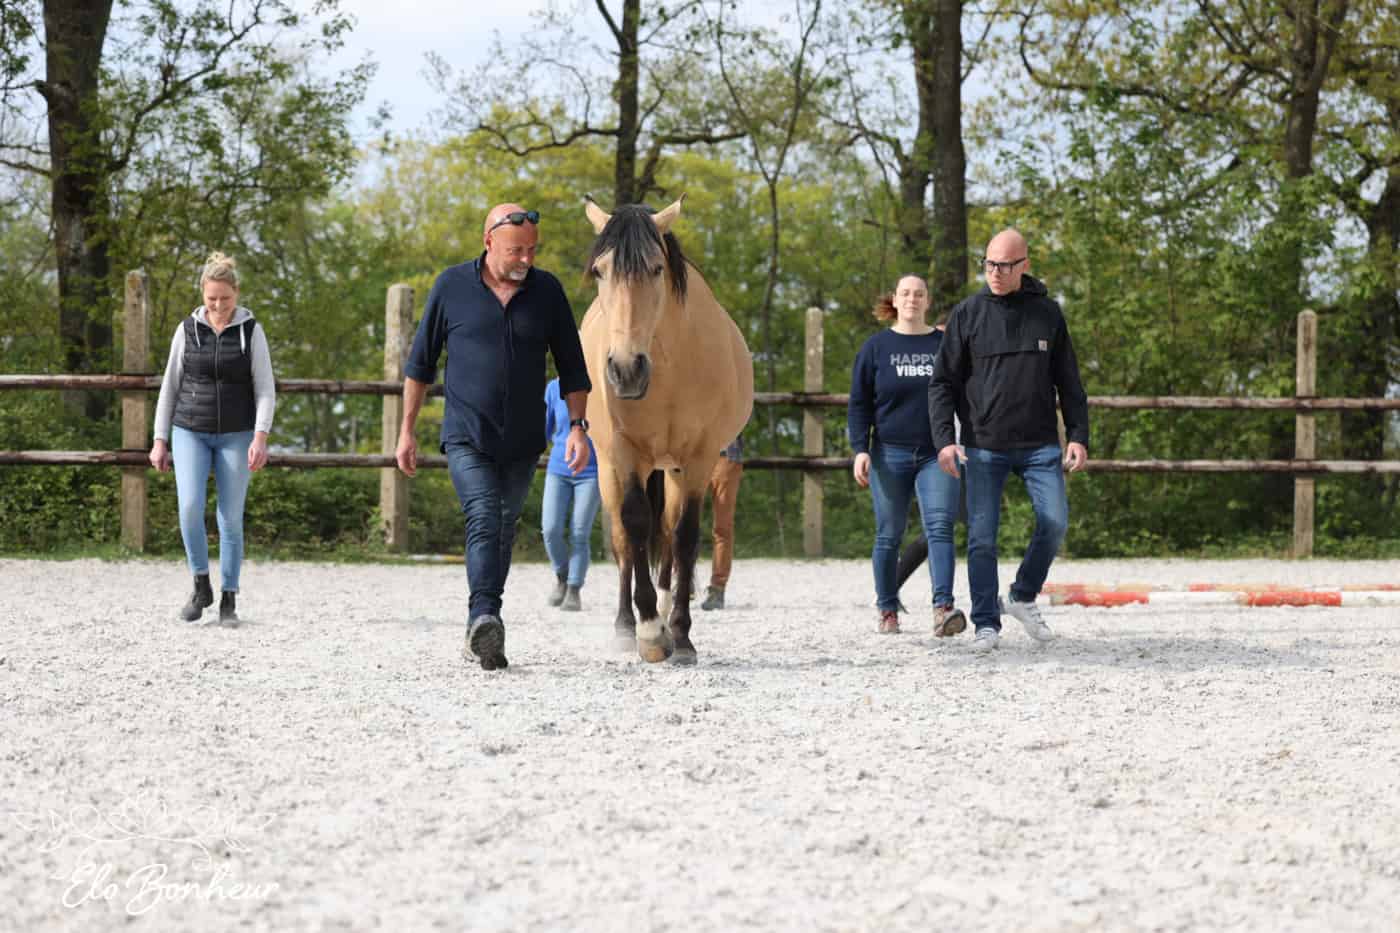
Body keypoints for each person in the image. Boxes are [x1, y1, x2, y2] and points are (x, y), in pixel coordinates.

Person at [396, 203, 592, 671]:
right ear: (488, 243)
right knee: (484, 515)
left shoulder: (547, 292)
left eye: (530, 251)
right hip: (466, 433)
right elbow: (420, 365)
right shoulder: (451, 287)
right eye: (515, 251)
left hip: (524, 439)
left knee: (502, 528)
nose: (525, 259)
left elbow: (574, 370)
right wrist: (406, 430)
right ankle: (486, 615)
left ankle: (482, 630)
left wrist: (579, 428)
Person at [929, 228, 1089, 652]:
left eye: (1004, 265)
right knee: (982, 537)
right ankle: (986, 623)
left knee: (1054, 521)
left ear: (1025, 265)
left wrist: (1078, 435)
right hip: (982, 445)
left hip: (1039, 444)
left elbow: (1068, 381)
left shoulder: (1048, 314)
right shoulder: (966, 314)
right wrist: (945, 439)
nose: (995, 273)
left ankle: (1021, 595)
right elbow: (942, 383)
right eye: (988, 264)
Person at [148, 251, 275, 625]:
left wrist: (260, 435)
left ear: (237, 294)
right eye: (211, 299)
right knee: (189, 505)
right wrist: (159, 439)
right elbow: (169, 387)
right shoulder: (186, 330)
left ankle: (229, 599)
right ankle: (201, 584)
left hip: (237, 433)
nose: (218, 305)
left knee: (230, 518)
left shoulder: (251, 331)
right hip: (190, 429)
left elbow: (265, 388)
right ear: (203, 295)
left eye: (225, 298)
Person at [848, 274, 967, 637]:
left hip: (937, 454)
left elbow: (964, 396)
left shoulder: (945, 344)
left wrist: (966, 441)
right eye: (905, 293)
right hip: (889, 453)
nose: (912, 299)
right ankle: (887, 608)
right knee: (889, 533)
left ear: (927, 301)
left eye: (919, 294)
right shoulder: (875, 348)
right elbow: (859, 405)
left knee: (940, 528)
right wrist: (860, 450)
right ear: (895, 300)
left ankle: (943, 608)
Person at [541, 376, 601, 612]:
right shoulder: (554, 388)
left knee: (579, 531)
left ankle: (574, 589)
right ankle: (562, 576)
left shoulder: (601, 387)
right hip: (558, 468)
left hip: (592, 472)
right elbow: (545, 428)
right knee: (550, 529)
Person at [700, 433, 744, 611]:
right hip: (694, 454)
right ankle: (682, 581)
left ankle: (718, 588)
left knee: (722, 526)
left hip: (727, 455)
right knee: (684, 522)